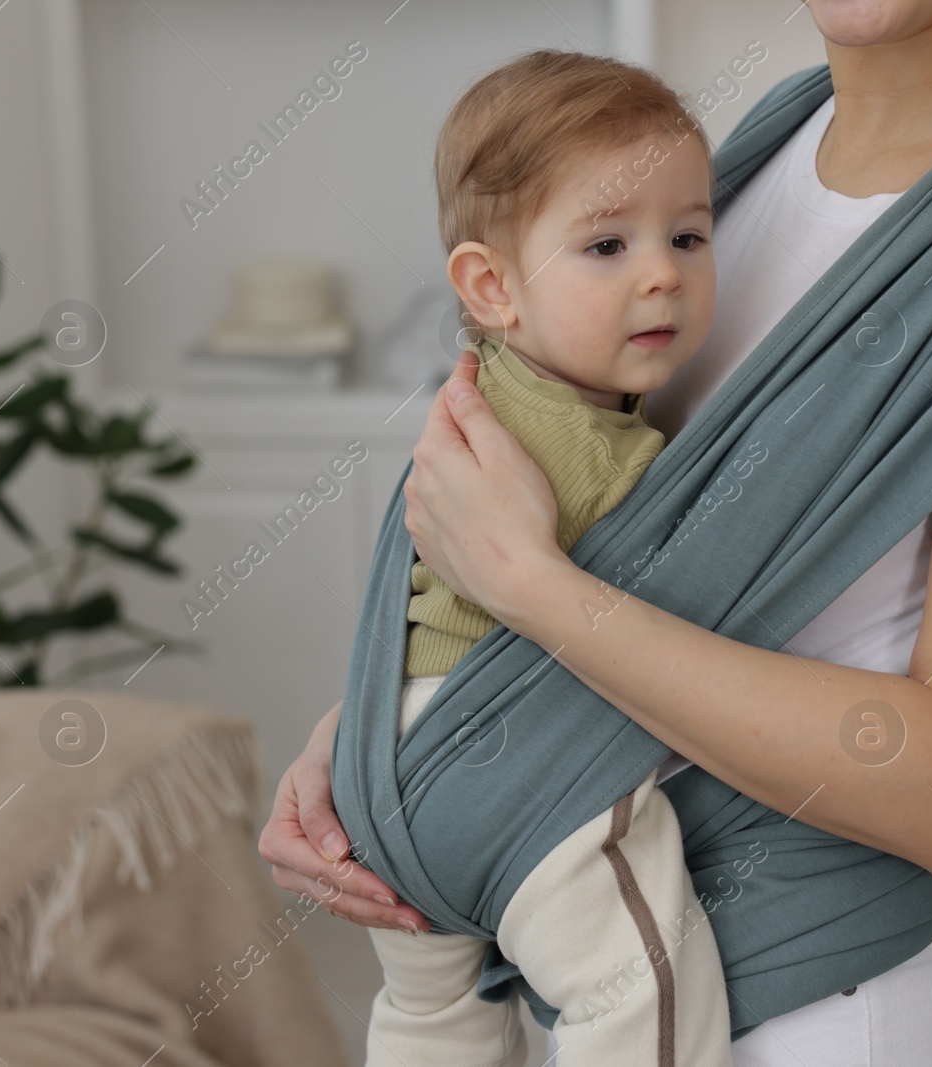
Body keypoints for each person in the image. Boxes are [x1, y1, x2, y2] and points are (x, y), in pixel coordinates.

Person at [260, 1, 932, 1063]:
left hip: (829, 1018)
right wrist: (395, 732)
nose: (659, 261)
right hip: (589, 978)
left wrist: (531, 587)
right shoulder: (769, 148)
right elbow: (588, 522)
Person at [352, 50, 735, 1067]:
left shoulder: (478, 397)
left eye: (688, 234)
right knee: (640, 992)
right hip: (519, 772)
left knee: (431, 1019)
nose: (663, 270)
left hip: (394, 765)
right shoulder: (596, 450)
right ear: (491, 284)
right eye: (606, 244)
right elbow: (682, 595)